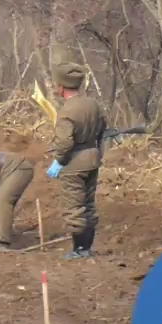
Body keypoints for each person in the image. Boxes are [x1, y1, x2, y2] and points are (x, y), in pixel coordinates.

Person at [44, 62, 106, 260]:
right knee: (88, 204)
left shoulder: (67, 111)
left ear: (61, 86)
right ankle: (87, 247)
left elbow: (64, 142)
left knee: (74, 206)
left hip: (74, 163)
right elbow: (103, 128)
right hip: (93, 157)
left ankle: (79, 249)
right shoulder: (93, 104)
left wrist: (59, 161)